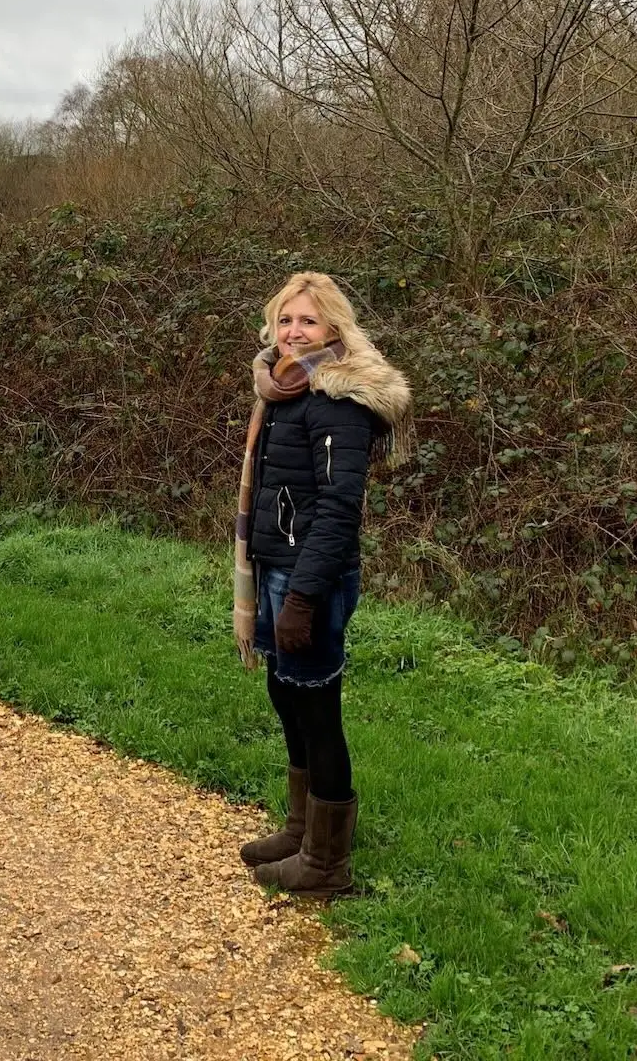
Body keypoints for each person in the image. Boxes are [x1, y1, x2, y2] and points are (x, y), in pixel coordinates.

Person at [233, 271, 411, 897]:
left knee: (318, 711)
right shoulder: (283, 391)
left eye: (307, 321)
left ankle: (327, 865)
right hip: (277, 568)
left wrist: (304, 597)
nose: (293, 332)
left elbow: (339, 510)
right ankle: (302, 827)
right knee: (288, 700)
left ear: (334, 328)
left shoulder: (337, 400)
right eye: (285, 320)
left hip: (313, 579)